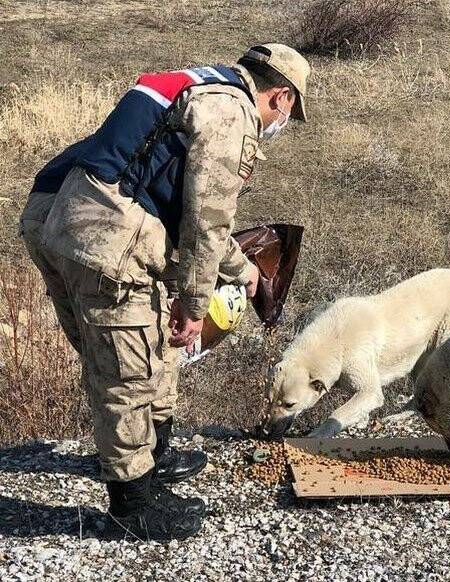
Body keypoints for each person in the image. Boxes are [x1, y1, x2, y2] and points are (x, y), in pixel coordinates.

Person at [19, 43, 310, 540]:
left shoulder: (198, 85)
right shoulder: (231, 112)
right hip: (109, 242)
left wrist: (244, 273)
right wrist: (195, 305)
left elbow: (171, 202)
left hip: (63, 221)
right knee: (127, 372)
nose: (282, 125)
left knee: (141, 352)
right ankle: (132, 507)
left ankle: (149, 468)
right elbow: (207, 222)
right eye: (289, 112)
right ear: (281, 97)